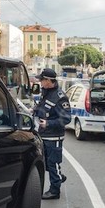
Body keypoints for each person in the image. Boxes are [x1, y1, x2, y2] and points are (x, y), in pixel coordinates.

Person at [33, 68, 71, 200]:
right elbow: (43, 108)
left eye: (42, 80)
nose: (40, 82)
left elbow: (66, 119)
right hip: (43, 134)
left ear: (49, 80)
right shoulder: (46, 92)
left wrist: (48, 123)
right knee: (46, 163)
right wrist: (35, 109)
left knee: (53, 163)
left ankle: (55, 190)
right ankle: (59, 177)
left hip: (54, 136)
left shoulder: (60, 97)